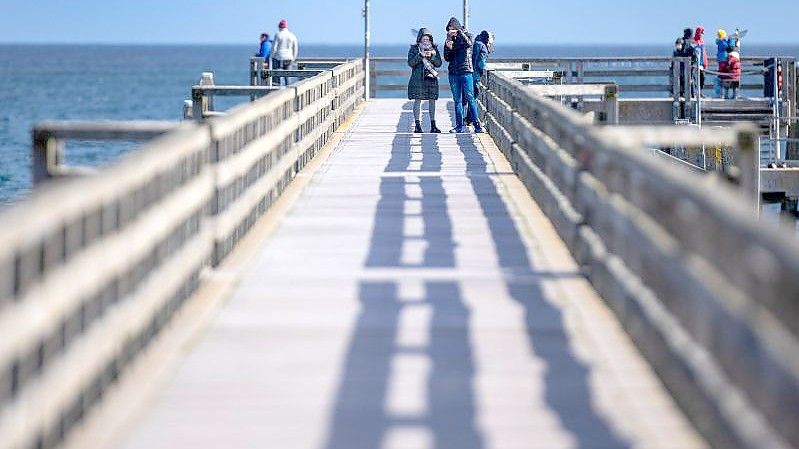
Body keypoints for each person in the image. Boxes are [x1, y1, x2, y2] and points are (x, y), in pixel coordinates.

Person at [443, 17, 481, 133]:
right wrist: (449, 48)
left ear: (458, 28)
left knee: (470, 98)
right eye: (449, 29)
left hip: (466, 71)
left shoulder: (467, 36)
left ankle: (477, 125)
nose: (451, 31)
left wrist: (459, 33)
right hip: (454, 73)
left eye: (453, 29)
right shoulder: (449, 39)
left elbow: (468, 44)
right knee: (457, 100)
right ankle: (459, 126)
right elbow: (447, 58)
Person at [407, 28, 443, 133]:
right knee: (417, 100)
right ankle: (417, 126)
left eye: (428, 39)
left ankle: (433, 125)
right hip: (418, 79)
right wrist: (420, 56)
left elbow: (439, 63)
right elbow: (410, 63)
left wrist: (431, 56)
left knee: (432, 101)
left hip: (431, 79)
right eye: (424, 39)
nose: (426, 41)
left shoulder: (434, 49)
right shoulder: (414, 49)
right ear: (419, 39)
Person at [465, 31, 493, 127]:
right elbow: (481, 63)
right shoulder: (483, 47)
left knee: (469, 97)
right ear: (488, 38)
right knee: (474, 97)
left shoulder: (476, 43)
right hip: (476, 75)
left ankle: (468, 118)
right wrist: (484, 70)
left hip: (469, 73)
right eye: (491, 39)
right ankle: (472, 119)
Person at [271, 19, 299, 86]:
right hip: (289, 58)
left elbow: (274, 48)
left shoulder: (278, 34)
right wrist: (293, 58)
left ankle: (276, 90)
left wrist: (272, 56)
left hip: (279, 57)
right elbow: (295, 48)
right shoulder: (292, 35)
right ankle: (289, 90)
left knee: (276, 75)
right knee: (287, 75)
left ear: (279, 27)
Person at [715, 29, 732, 97]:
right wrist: (730, 40)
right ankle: (724, 94)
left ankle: (721, 94)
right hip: (724, 62)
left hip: (721, 61)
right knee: (724, 77)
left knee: (722, 77)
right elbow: (729, 47)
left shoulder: (720, 42)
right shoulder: (722, 42)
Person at [693, 27, 707, 97]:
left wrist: (704, 63)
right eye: (702, 33)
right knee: (696, 78)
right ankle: (696, 92)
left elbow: (703, 53)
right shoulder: (694, 41)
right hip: (696, 64)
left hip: (701, 64)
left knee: (702, 78)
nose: (702, 34)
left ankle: (700, 92)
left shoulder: (702, 41)